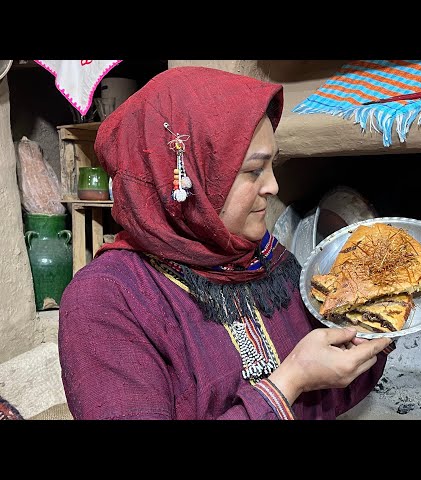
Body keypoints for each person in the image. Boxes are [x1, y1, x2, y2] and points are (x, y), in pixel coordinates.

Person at [58, 66, 394, 420]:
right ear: (189, 178)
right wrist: (289, 382)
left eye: (272, 165)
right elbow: (299, 380)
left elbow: (327, 393)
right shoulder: (108, 299)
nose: (273, 186)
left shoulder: (264, 257)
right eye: (253, 170)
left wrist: (375, 324)